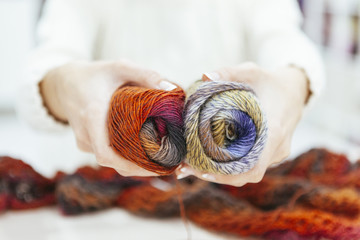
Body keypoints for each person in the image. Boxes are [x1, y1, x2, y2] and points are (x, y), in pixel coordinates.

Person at [17, 0, 325, 186]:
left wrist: (291, 86)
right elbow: (43, 68)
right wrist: (66, 84)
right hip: (103, 190)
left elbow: (287, 43)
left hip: (228, 186)